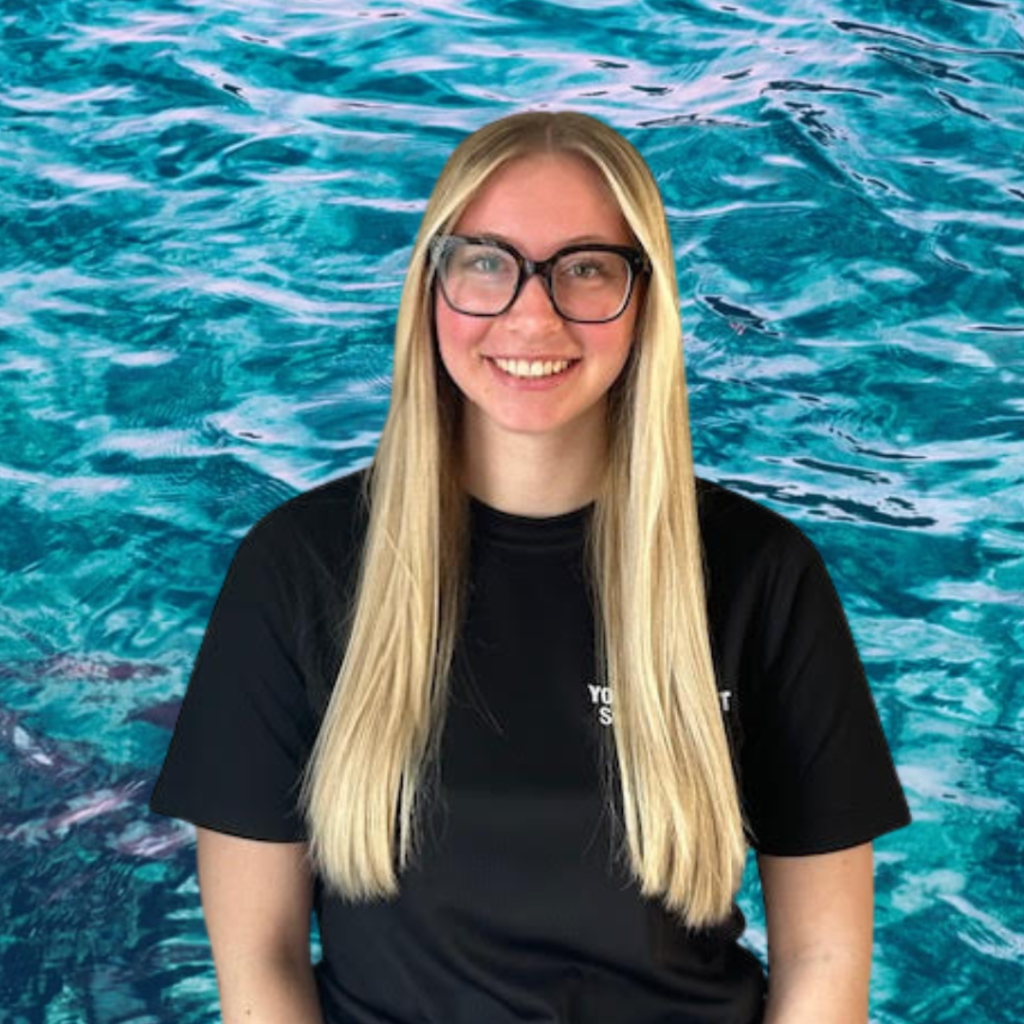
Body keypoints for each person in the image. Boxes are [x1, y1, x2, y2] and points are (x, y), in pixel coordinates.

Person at [149, 110, 911, 1024]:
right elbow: (262, 967)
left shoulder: (760, 575)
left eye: (586, 268)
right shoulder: (298, 569)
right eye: (486, 262)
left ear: (645, 299)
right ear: (431, 289)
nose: (532, 314)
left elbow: (825, 960)